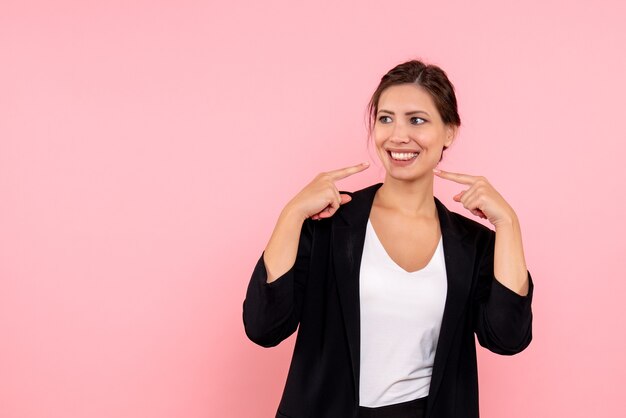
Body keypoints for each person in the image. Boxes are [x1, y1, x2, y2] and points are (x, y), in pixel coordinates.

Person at [243, 59, 534, 418]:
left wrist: (508, 224)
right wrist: (291, 215)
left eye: (417, 119)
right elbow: (264, 327)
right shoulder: (329, 224)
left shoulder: (471, 244)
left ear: (449, 132)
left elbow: (507, 338)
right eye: (385, 118)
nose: (398, 135)